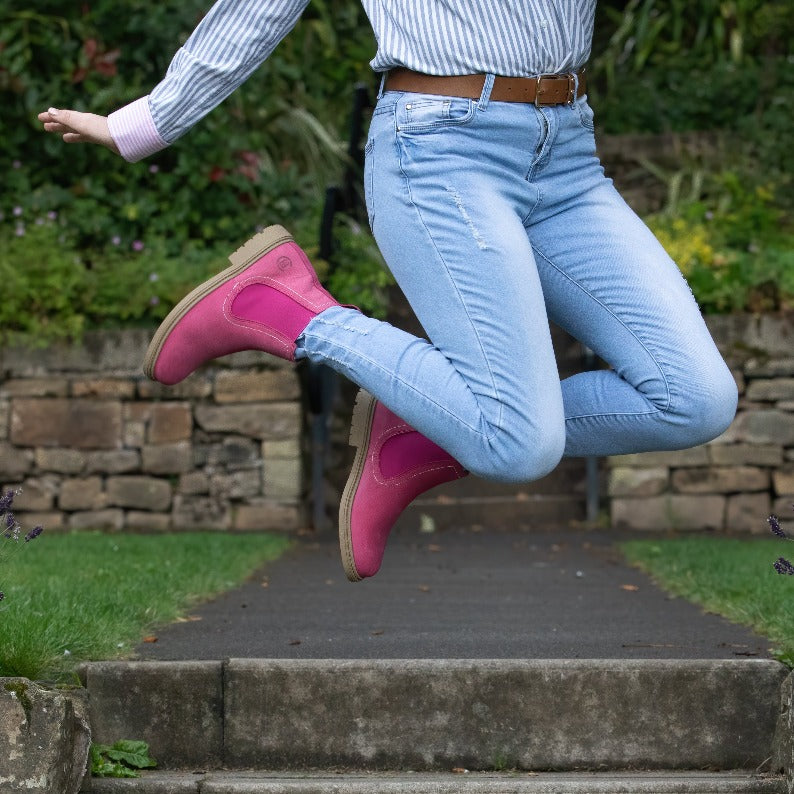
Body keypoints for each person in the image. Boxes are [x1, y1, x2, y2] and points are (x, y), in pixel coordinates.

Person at [39, 1, 738, 583]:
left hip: (566, 156)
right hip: (438, 150)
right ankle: (290, 308)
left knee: (697, 399)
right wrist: (142, 123)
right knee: (522, 446)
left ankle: (422, 422)